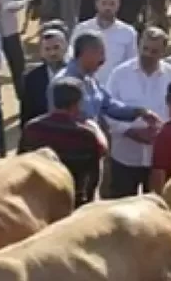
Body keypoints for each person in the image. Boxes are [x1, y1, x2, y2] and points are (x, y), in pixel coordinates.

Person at [104, 27, 171, 198]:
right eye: (145, 49)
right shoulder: (120, 74)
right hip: (125, 156)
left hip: (158, 160)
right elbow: (108, 110)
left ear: (163, 52)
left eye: (154, 51)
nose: (148, 54)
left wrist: (161, 133)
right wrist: (129, 131)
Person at [20, 77, 109, 207]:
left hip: (38, 201)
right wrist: (95, 127)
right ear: (77, 103)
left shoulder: (31, 128)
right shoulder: (85, 134)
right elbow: (95, 169)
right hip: (71, 202)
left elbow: (21, 162)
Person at [71, 0, 138, 87]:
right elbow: (71, 58)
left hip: (115, 89)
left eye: (112, 4)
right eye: (104, 3)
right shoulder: (82, 29)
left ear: (118, 5)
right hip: (86, 88)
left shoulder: (128, 32)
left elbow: (132, 63)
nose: (108, 8)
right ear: (96, 4)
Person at [21, 26, 69, 126]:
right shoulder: (31, 79)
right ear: (41, 52)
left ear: (65, 47)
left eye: (56, 47)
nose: (52, 53)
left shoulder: (76, 74)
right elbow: (26, 116)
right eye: (47, 49)